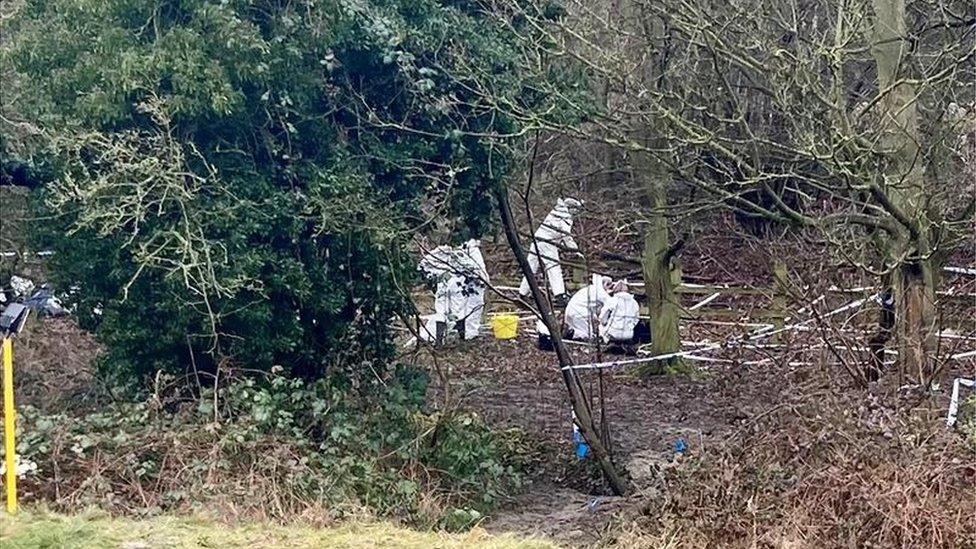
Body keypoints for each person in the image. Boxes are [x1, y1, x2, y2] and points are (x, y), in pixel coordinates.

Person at [519, 198, 582, 300]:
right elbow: (566, 236)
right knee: (553, 267)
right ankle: (559, 295)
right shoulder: (565, 216)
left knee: (531, 267)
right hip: (547, 243)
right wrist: (575, 250)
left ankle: (523, 293)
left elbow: (558, 234)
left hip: (537, 240)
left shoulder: (555, 212)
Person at [563, 274, 613, 340]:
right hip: (578, 313)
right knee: (588, 335)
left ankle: (570, 334)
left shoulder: (590, 289)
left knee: (580, 329)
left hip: (572, 311)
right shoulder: (600, 292)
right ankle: (572, 335)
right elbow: (611, 304)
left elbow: (590, 307)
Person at [459, 239, 488, 340]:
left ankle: (462, 326)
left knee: (463, 292)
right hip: (467, 247)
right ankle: (470, 332)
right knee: (478, 287)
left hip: (461, 248)